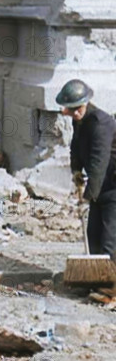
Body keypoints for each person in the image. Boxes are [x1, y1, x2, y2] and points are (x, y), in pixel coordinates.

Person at [57, 79, 116, 259]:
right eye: (71, 109)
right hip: (100, 185)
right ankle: (95, 278)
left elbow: (99, 162)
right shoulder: (80, 120)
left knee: (110, 238)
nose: (74, 113)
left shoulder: (100, 124)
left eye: (77, 109)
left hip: (112, 185)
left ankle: (111, 282)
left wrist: (87, 198)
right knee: (93, 236)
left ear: (85, 104)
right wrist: (76, 170)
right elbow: (76, 146)